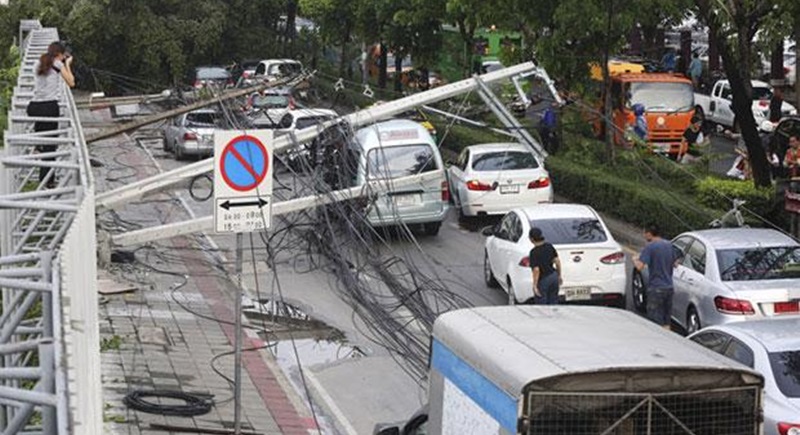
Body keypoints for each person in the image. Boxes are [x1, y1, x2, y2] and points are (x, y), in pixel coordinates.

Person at [28, 41, 74, 187]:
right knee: (51, 146)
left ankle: (37, 145)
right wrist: (67, 64)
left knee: (44, 142)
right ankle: (47, 181)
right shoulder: (58, 64)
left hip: (34, 106)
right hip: (49, 108)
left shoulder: (38, 62)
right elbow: (71, 83)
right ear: (59, 54)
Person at [634, 225, 680, 330]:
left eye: (645, 232)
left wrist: (635, 259)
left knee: (654, 323)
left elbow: (640, 267)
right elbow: (676, 263)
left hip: (656, 288)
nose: (644, 235)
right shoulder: (669, 245)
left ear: (649, 234)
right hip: (669, 287)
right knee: (666, 321)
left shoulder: (650, 247)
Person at [529, 227, 562, 305]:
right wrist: (559, 275)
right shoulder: (549, 246)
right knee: (553, 301)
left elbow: (536, 270)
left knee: (542, 306)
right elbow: (557, 261)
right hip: (553, 276)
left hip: (543, 279)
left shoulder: (534, 252)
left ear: (532, 239)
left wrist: (535, 285)